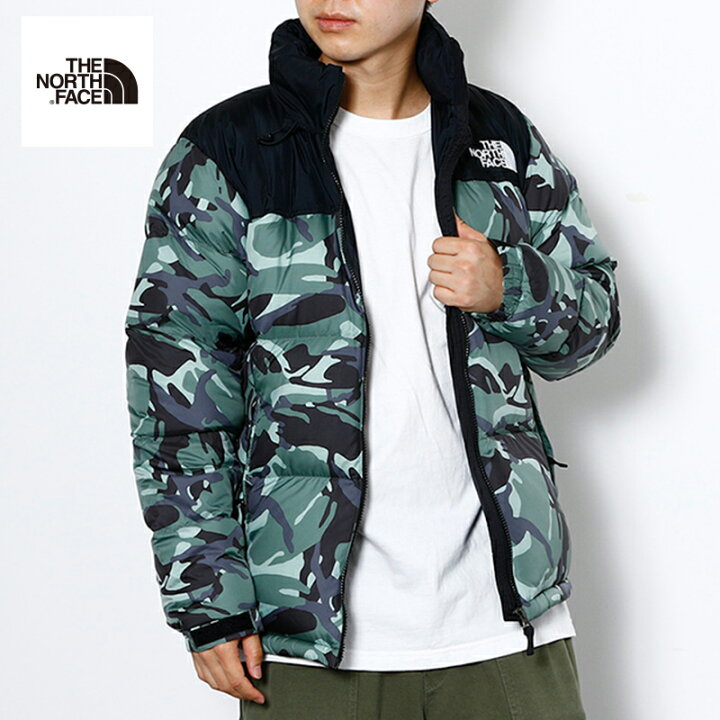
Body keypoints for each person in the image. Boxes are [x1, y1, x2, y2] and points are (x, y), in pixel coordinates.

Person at [123, 1, 620, 718]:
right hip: (307, 636)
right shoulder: (229, 150)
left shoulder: (500, 140)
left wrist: (509, 285)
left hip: (506, 621)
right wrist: (208, 600)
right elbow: (174, 399)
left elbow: (592, 330)